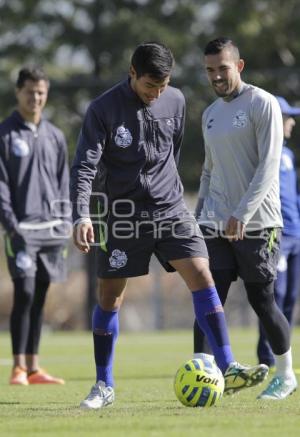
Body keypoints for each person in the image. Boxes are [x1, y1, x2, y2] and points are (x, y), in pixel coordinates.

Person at [70, 41, 268, 410]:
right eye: (149, 87)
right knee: (110, 297)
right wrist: (82, 214)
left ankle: (228, 366)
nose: (157, 94)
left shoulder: (176, 100)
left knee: (202, 275)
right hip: (123, 214)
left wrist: (165, 189)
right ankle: (104, 385)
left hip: (171, 208)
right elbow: (84, 165)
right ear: (132, 74)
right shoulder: (102, 109)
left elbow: (170, 154)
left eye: (162, 86)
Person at [193, 37, 297, 400]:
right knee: (208, 297)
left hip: (258, 223)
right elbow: (208, 171)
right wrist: (199, 217)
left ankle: (286, 374)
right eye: (210, 70)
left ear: (239, 66)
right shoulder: (208, 114)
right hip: (217, 222)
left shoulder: (263, 103)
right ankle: (203, 375)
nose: (216, 76)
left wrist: (243, 211)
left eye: (222, 68)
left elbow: (269, 164)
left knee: (262, 300)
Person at [0, 67, 70, 385]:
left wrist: (67, 219)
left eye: (41, 92)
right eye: (30, 91)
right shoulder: (6, 134)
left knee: (40, 295)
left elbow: (63, 182)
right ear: (18, 92)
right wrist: (11, 223)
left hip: (52, 230)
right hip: (21, 230)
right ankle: (17, 367)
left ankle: (33, 366)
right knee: (24, 291)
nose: (36, 97)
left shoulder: (55, 135)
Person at [257, 97, 300, 368]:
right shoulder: (264, 152)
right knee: (276, 296)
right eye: (287, 117)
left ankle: (282, 351)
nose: (292, 122)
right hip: (279, 234)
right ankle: (267, 356)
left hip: (296, 234)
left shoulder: (289, 154)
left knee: (292, 297)